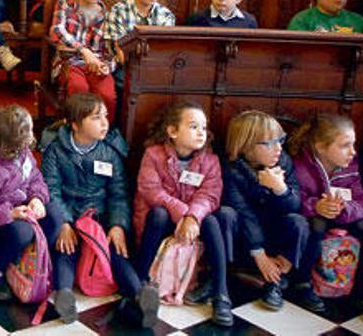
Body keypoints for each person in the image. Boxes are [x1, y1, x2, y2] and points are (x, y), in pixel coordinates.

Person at [40, 94, 160, 327]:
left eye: (105, 116)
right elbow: (50, 189)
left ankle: (139, 295)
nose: (105, 123)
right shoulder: (55, 151)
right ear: (75, 124)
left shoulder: (110, 152)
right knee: (65, 249)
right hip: (72, 216)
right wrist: (64, 222)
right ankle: (64, 294)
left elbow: (118, 193)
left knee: (115, 251)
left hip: (100, 216)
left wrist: (117, 225)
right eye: (96, 118)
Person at [133, 101, 233, 326]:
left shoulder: (210, 161)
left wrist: (192, 218)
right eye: (193, 126)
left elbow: (210, 195)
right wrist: (183, 214)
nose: (201, 132)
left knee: (211, 221)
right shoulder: (154, 155)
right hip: (162, 221)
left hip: (193, 224)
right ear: (172, 131)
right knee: (158, 213)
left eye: (204, 127)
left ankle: (221, 293)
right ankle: (141, 281)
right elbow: (150, 190)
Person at [221, 110, 324, 313]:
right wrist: (259, 255)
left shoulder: (284, 162)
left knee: (299, 222)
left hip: (276, 238)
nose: (278, 148)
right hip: (248, 242)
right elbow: (244, 213)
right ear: (246, 147)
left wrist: (280, 189)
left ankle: (275, 280)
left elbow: (295, 206)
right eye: (269, 143)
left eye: (280, 140)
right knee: (226, 214)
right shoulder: (231, 170)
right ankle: (223, 278)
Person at [0, 105, 57, 304]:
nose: (33, 135)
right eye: (29, 132)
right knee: (22, 232)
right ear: (13, 142)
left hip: (21, 206)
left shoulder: (22, 151)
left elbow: (35, 178)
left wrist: (37, 198)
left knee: (54, 216)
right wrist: (11, 213)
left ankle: (32, 261)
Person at [291, 113, 363, 305]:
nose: (353, 152)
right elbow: (293, 199)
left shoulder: (351, 167)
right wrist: (316, 206)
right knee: (317, 225)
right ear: (321, 147)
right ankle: (302, 283)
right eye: (345, 145)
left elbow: (360, 201)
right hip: (312, 216)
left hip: (343, 215)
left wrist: (344, 207)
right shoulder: (300, 166)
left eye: (353, 144)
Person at [102, 0, 174, 124]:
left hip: (155, 69)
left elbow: (163, 53)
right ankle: (120, 129)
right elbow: (120, 53)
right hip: (125, 67)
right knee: (124, 84)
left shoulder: (166, 15)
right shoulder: (118, 11)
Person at [49, 0, 116, 123]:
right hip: (70, 62)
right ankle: (76, 132)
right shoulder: (65, 4)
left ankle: (102, 135)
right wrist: (83, 51)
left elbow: (111, 49)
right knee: (79, 89)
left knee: (106, 95)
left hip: (96, 65)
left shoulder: (106, 14)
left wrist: (107, 66)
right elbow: (57, 31)